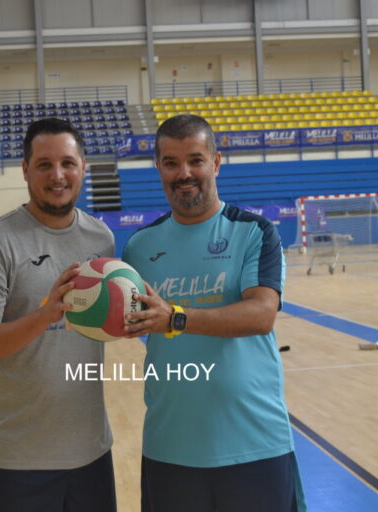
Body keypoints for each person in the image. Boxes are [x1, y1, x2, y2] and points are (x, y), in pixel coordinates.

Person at [122, 114, 306, 511]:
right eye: (171, 162)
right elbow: (125, 319)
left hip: (255, 444)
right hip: (171, 446)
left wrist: (175, 318)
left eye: (195, 160)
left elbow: (261, 314)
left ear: (216, 162)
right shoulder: (139, 246)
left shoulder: (254, 232)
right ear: (158, 168)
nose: (183, 173)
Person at [0, 118, 117, 512]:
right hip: (18, 460)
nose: (57, 175)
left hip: (91, 452)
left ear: (83, 167)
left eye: (67, 163)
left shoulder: (102, 239)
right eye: (44, 164)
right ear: (25, 170)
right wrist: (44, 314)